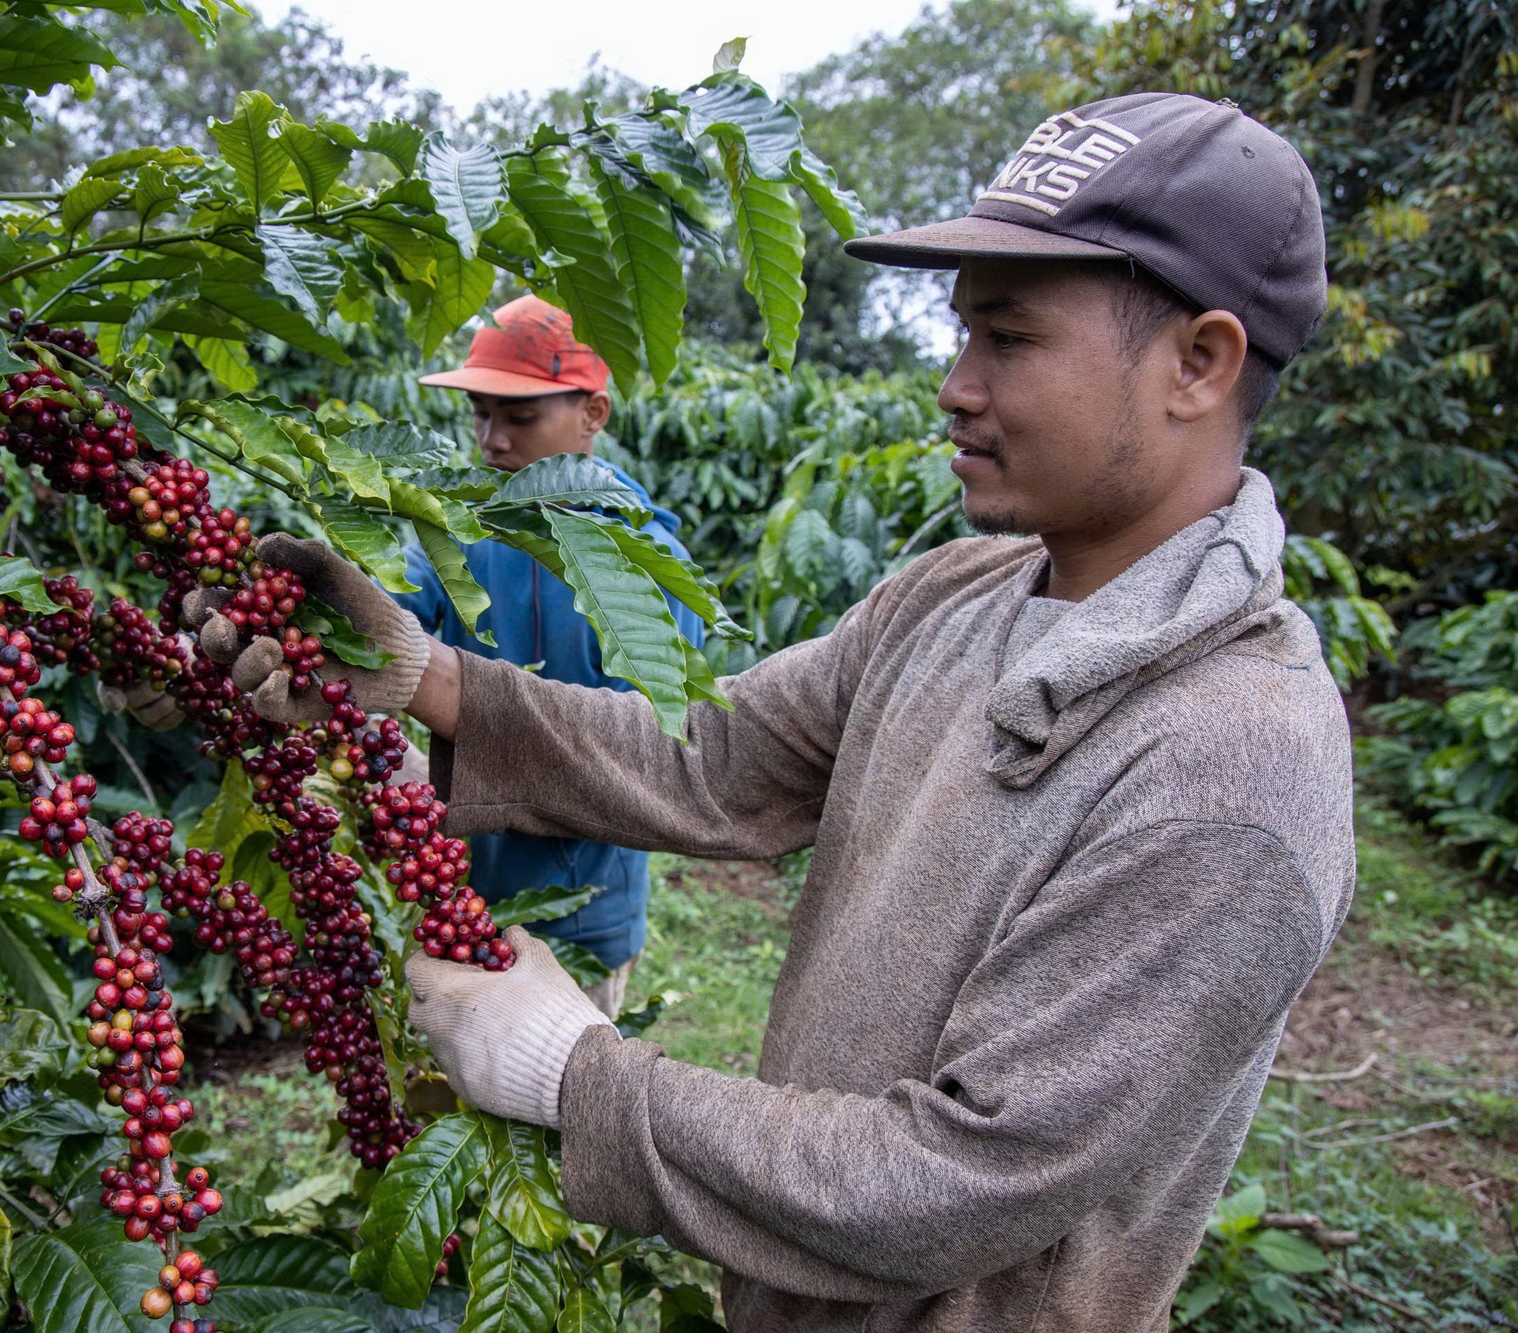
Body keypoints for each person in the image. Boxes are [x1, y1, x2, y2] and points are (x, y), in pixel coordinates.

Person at [206, 92, 1355, 1330]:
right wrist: (420, 672)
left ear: (1199, 362)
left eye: (1008, 340)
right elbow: (710, 759)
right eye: (960, 335)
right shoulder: (952, 594)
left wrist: (577, 1074)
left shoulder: (1232, 773)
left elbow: (953, 1182)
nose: (953, 388)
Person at [401, 294, 706, 1017]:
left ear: (592, 414)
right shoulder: (469, 536)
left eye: (519, 417)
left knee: (569, 1109)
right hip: (463, 892)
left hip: (583, 915)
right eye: (480, 413)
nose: (491, 441)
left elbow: (642, 748)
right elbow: (391, 606)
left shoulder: (650, 562)